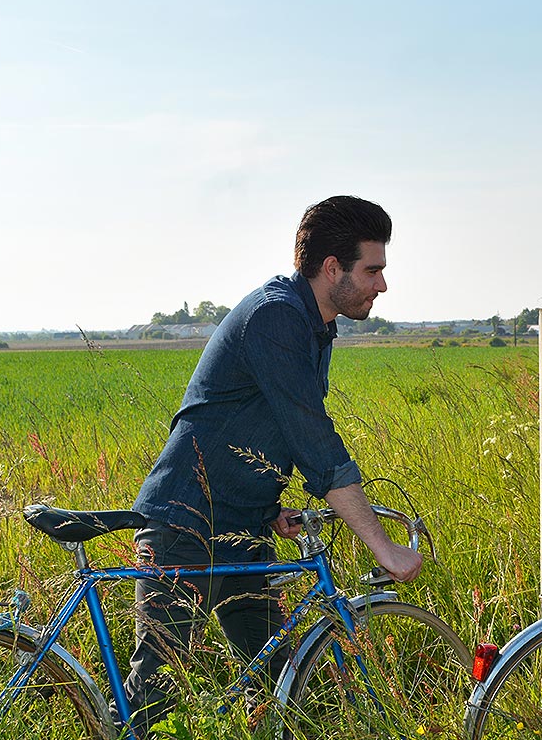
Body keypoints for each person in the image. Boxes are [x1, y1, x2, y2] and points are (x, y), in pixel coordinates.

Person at [121, 195, 422, 736]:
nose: (383, 284)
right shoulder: (276, 316)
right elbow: (314, 439)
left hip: (241, 526)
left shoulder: (314, 326)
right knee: (154, 705)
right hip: (186, 525)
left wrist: (267, 503)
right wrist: (381, 545)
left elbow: (266, 425)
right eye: (373, 269)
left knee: (284, 686)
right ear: (332, 269)